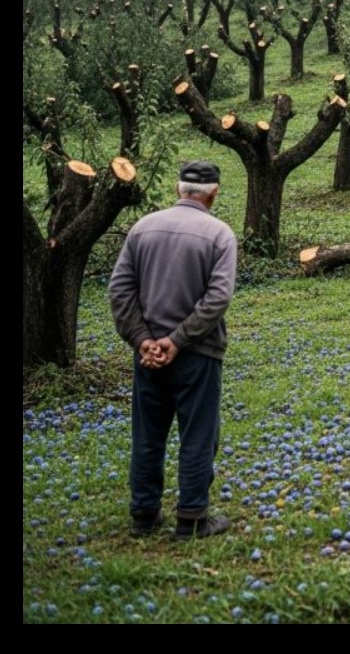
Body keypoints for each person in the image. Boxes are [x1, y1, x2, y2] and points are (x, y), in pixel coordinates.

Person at [109, 159, 237, 539]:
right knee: (198, 433)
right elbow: (218, 298)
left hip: (148, 354)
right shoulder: (220, 234)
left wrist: (143, 340)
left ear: (177, 190)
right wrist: (178, 340)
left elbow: (119, 290)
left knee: (148, 434)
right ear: (213, 193)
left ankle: (144, 515)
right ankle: (192, 517)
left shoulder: (142, 228)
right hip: (198, 352)